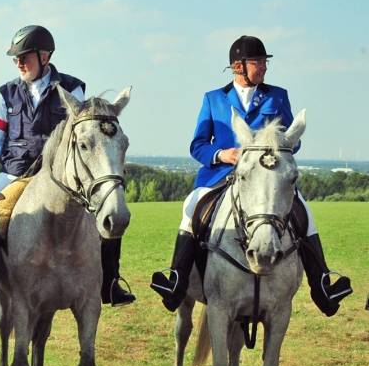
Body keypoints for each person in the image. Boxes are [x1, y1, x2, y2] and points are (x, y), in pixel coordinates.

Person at [150, 35, 353, 315]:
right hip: (220, 175)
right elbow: (197, 145)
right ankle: (176, 280)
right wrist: (223, 155)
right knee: (191, 207)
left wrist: (280, 144)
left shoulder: (277, 96)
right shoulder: (213, 99)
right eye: (258, 62)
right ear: (238, 67)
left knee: (305, 210)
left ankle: (322, 285)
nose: (264, 67)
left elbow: (294, 140)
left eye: (264, 62)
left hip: (266, 178)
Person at [0, 25, 136, 315]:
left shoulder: (72, 88)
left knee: (104, 207)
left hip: (59, 174)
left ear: (44, 56)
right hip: (17, 170)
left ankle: (110, 282)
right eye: (16, 58)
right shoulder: (7, 93)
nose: (19, 63)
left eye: (25, 57)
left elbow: (84, 132)